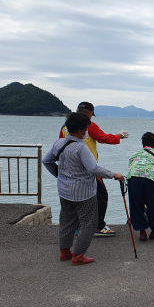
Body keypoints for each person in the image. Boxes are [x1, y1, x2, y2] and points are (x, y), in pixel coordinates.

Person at [43, 113, 124, 265]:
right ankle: (78, 255)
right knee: (89, 223)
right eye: (85, 129)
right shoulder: (81, 148)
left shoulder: (58, 143)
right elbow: (94, 169)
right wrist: (114, 174)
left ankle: (64, 252)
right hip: (84, 192)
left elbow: (46, 161)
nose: (86, 132)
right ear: (81, 131)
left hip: (64, 190)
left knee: (67, 220)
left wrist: (59, 174)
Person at [59, 102, 129, 237]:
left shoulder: (65, 126)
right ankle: (99, 226)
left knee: (75, 198)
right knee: (101, 196)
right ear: (90, 113)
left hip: (69, 169)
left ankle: (75, 226)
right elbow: (103, 138)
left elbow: (60, 144)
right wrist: (120, 136)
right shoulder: (88, 125)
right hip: (87, 168)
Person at [126, 132, 154, 241]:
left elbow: (130, 167)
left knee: (136, 206)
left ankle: (142, 232)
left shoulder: (134, 154)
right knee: (153, 206)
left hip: (133, 178)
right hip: (150, 179)